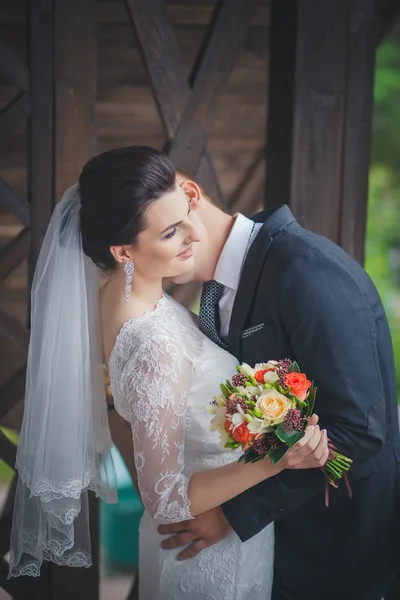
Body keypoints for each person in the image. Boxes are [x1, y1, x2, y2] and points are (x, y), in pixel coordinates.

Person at [8, 146, 328, 599]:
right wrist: (276, 458)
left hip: (215, 544)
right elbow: (164, 499)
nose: (194, 235)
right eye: (172, 232)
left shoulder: (121, 299)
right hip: (206, 556)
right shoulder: (153, 342)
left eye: (186, 214)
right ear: (123, 251)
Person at [157, 168, 400, 600]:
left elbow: (357, 432)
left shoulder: (307, 270)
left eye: (161, 231)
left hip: (333, 553)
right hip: (269, 551)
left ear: (190, 194)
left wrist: (234, 513)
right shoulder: (214, 292)